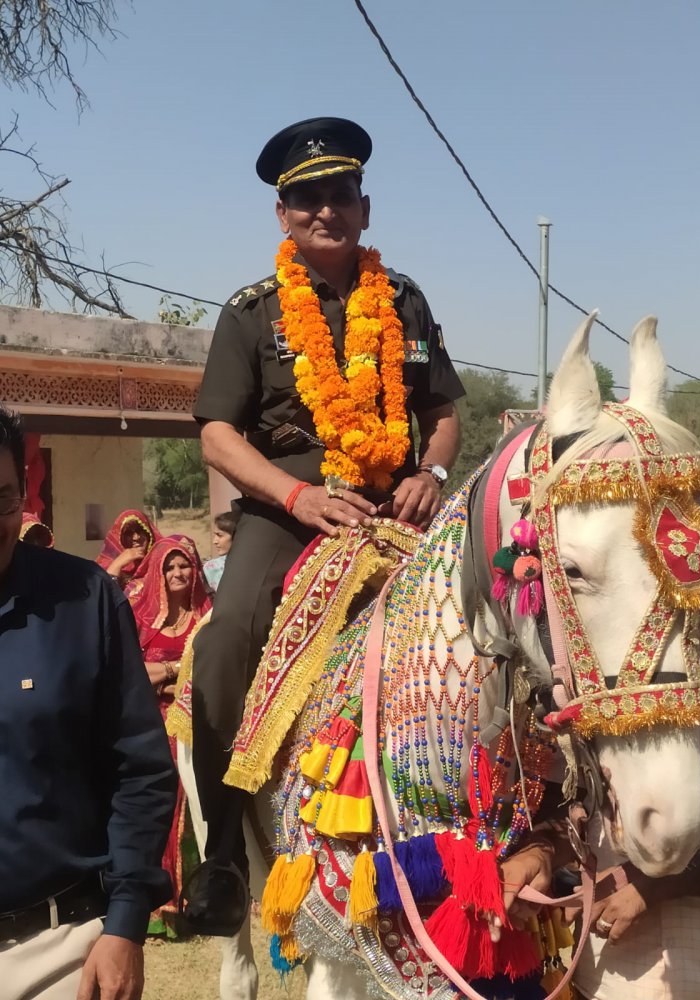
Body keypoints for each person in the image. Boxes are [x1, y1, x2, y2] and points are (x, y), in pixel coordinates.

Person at [189, 116, 465, 883]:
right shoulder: (251, 311)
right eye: (306, 199)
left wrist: (432, 476)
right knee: (226, 636)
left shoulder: (404, 302)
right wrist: (296, 495)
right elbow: (217, 434)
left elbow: (441, 415)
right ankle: (219, 854)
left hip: (395, 510)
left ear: (364, 207)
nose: (325, 211)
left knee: (496, 623)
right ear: (283, 216)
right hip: (288, 512)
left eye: (340, 194)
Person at [500, 496, 700, 1000]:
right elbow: (575, 794)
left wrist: (658, 881)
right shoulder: (583, 663)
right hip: (607, 979)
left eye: (693, 536)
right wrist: (542, 850)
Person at [0, 404, 176, 1000]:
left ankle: (223, 871)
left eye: (0, 497)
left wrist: (125, 923)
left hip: (58, 953)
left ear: (23, 495)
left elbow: (141, 769)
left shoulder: (84, 601)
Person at [127, 536, 212, 937]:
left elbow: (214, 668)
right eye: (170, 567)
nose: (179, 573)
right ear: (158, 573)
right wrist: (182, 669)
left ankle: (194, 903)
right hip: (152, 728)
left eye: (186, 566)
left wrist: (164, 673)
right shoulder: (142, 620)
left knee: (194, 812)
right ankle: (154, 905)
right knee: (159, 809)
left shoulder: (209, 617)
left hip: (198, 728)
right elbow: (133, 674)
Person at [96, 509, 161, 588]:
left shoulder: (160, 561)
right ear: (120, 538)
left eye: (140, 531)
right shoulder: (105, 566)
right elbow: (102, 595)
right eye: (129, 533)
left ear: (149, 534)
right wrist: (117, 565)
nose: (136, 537)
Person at [203, 510, 240, 593]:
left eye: (219, 535)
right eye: (215, 535)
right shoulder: (211, 569)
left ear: (236, 536)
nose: (214, 541)